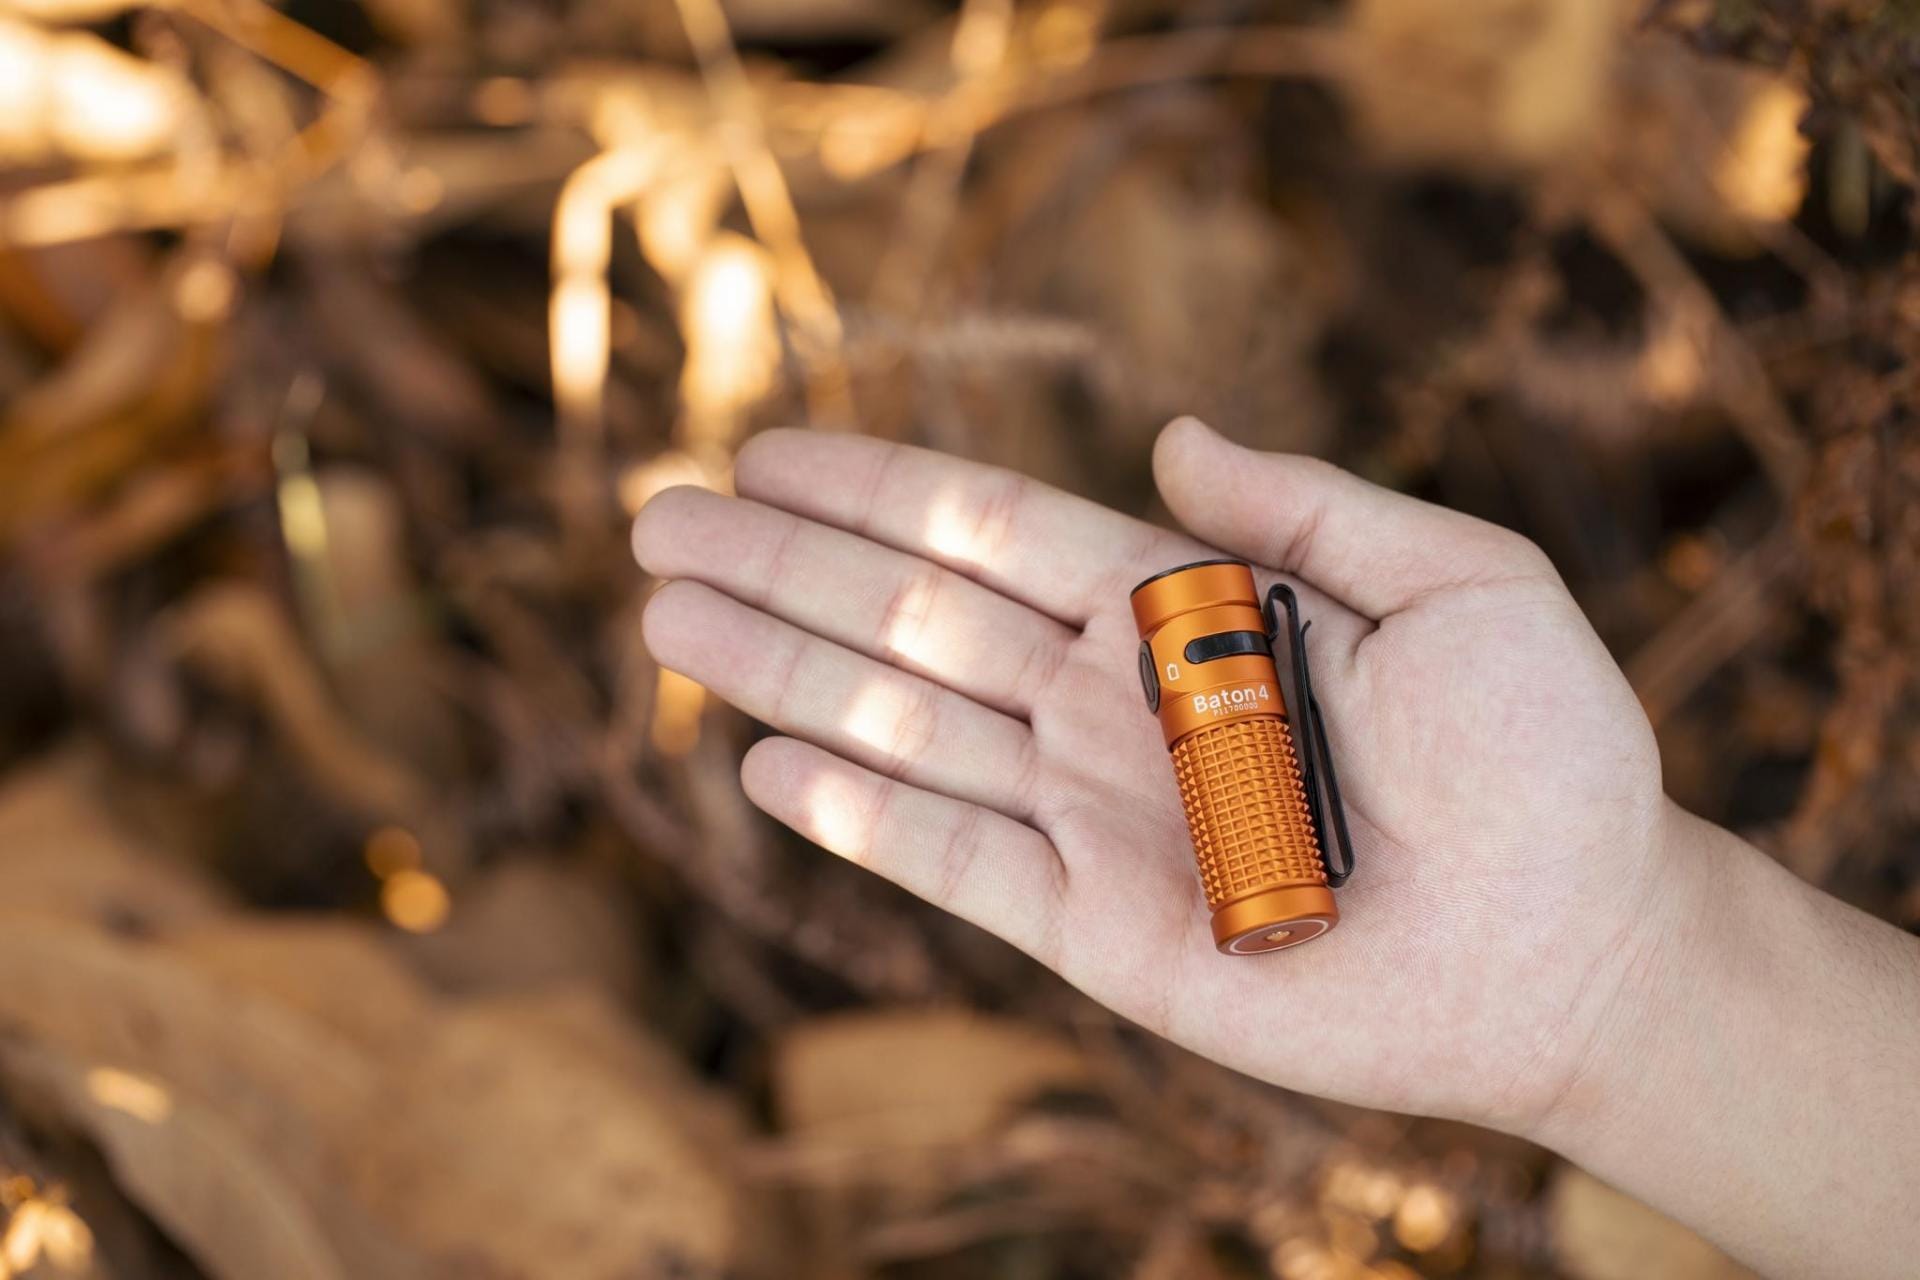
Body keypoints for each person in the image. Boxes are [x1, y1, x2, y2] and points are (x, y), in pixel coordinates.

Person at [633, 416, 1919, 1279]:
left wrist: (1619, 953)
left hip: (1298, 887)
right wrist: (1630, 968)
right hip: (1289, 891)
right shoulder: (1234, 644)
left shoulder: (1248, 649)